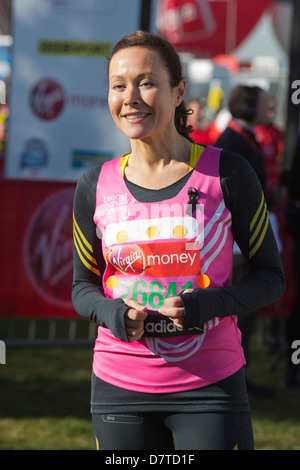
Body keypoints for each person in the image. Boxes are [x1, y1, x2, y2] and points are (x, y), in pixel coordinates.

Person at [72, 31, 285, 450]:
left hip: (210, 387)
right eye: (119, 85)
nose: (130, 97)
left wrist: (206, 306)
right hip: (118, 386)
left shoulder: (228, 172)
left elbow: (270, 278)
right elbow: (83, 287)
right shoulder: (93, 185)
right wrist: (116, 315)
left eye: (146, 82)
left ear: (178, 91)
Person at [214, 85, 275, 397]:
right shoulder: (232, 143)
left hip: (242, 243)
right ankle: (236, 380)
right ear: (249, 107)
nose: (272, 107)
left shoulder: (242, 138)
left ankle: (241, 378)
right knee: (240, 314)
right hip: (237, 247)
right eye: (266, 103)